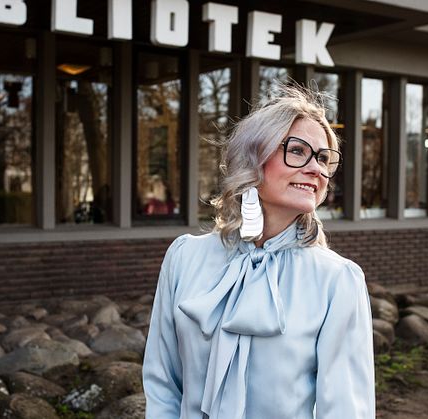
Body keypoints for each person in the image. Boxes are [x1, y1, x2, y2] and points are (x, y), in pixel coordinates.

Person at [142, 84, 375, 419]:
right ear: (253, 156)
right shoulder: (183, 258)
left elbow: (344, 410)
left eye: (324, 158)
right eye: (298, 150)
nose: (316, 169)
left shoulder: (338, 280)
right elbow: (163, 384)